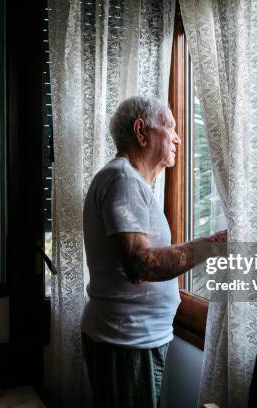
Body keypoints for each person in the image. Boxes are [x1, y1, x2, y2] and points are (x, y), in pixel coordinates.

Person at [81, 96, 226, 408]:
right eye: (170, 127)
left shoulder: (127, 180)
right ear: (141, 131)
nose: (177, 137)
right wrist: (212, 246)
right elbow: (141, 263)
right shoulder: (123, 180)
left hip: (128, 337)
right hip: (126, 340)